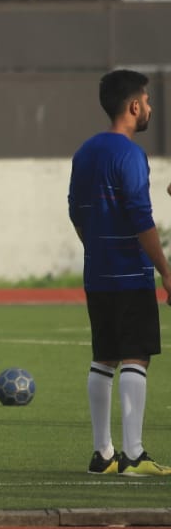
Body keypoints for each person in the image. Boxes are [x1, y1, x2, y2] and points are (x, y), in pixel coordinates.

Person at [68, 68, 171, 477]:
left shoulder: (85, 152)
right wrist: (164, 268)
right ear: (132, 106)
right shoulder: (129, 155)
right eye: (145, 101)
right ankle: (133, 455)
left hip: (97, 272)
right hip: (130, 274)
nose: (148, 107)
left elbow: (76, 212)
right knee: (135, 356)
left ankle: (103, 454)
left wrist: (96, 249)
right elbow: (141, 218)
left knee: (103, 358)